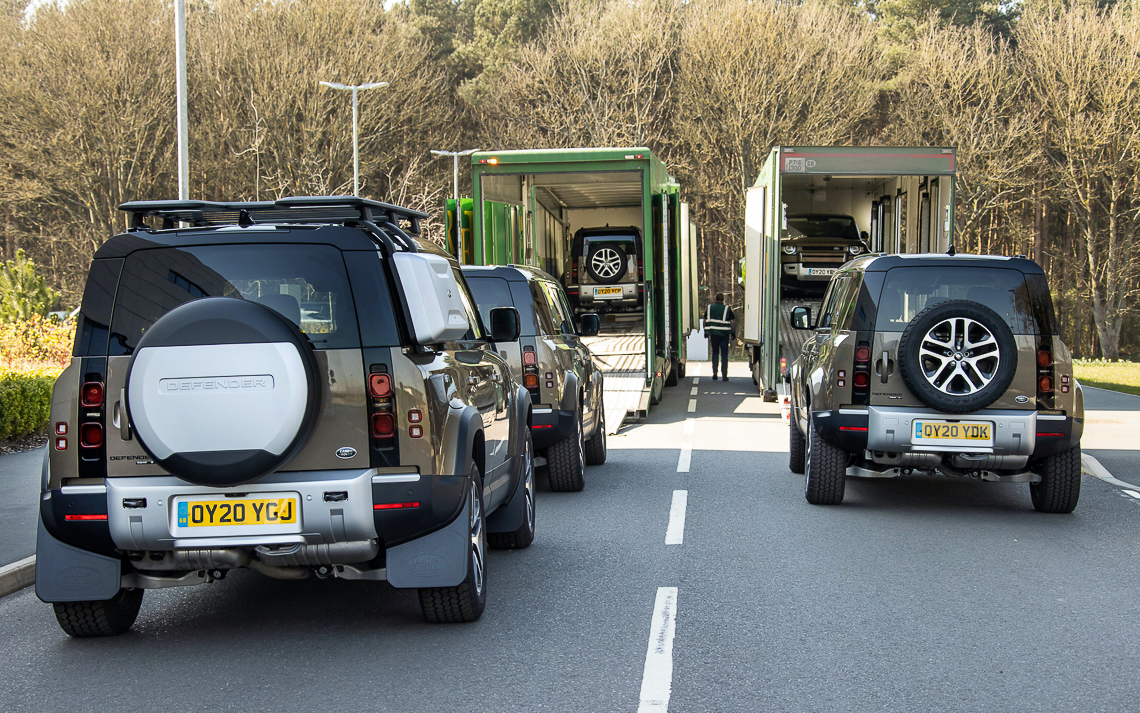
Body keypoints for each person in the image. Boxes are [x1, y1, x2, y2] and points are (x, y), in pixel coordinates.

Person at [704, 293, 735, 381]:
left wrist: (706, 331)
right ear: (723, 299)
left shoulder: (709, 308)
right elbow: (732, 322)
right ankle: (724, 375)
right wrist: (733, 332)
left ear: (715, 298)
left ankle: (715, 373)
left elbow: (705, 321)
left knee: (715, 353)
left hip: (714, 334)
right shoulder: (727, 309)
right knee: (724, 354)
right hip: (724, 335)